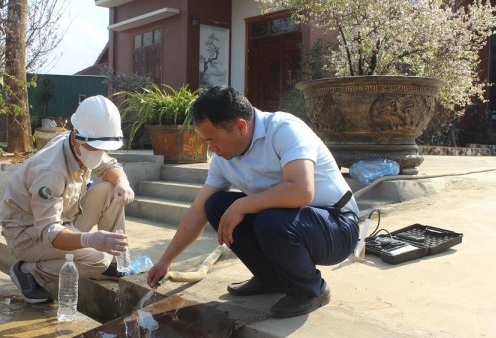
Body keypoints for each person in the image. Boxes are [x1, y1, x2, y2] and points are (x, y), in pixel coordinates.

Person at [147, 86, 359, 318]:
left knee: (270, 219)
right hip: (291, 222)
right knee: (216, 205)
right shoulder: (223, 158)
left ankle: (311, 290)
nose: (211, 149)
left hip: (336, 226)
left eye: (213, 140)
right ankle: (271, 278)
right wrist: (166, 260)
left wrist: (242, 205)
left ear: (240, 126)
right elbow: (198, 211)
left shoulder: (284, 129)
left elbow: (301, 191)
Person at [0, 95, 135, 304]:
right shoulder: (50, 171)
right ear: (76, 137)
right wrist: (89, 240)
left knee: (111, 190)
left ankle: (115, 260)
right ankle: (29, 272)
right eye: (97, 147)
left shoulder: (81, 146)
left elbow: (109, 167)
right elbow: (48, 231)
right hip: (29, 236)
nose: (101, 153)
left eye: (105, 147)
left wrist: (122, 182)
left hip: (65, 221)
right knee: (98, 259)